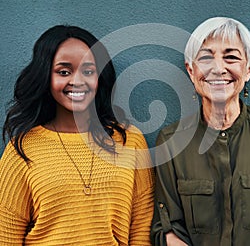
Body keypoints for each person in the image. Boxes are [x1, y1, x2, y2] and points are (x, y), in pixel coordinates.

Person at [151, 17, 250, 245]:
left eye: (231, 57)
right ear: (191, 71)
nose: (218, 68)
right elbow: (169, 229)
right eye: (205, 58)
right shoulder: (171, 141)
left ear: (249, 69)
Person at [0, 25, 154, 245]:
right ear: (45, 76)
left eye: (88, 71)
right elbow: (6, 237)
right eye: (64, 72)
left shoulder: (130, 140)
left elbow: (141, 230)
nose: (77, 81)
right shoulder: (23, 149)